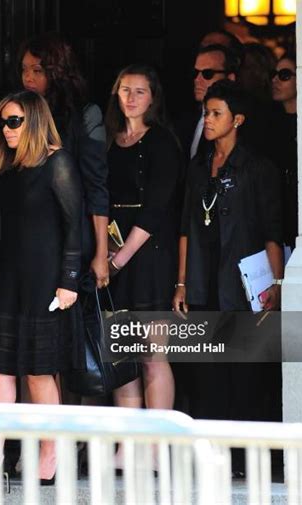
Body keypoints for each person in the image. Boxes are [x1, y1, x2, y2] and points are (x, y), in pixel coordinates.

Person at [0, 90, 83, 487]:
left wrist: (69, 280)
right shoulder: (9, 170)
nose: (6, 129)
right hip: (9, 279)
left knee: (39, 372)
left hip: (45, 281)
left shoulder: (58, 162)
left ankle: (50, 455)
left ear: (34, 120)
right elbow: (5, 235)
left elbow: (75, 225)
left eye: (14, 121)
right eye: (3, 122)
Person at [172, 80, 284, 470]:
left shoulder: (257, 168)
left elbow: (273, 231)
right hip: (203, 281)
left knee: (246, 374)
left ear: (237, 119)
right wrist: (182, 282)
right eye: (206, 113)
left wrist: (276, 285)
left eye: (216, 113)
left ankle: (248, 458)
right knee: (207, 373)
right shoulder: (199, 167)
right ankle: (212, 454)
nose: (208, 120)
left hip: (244, 285)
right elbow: (185, 227)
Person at [105, 64, 183, 470]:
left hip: (148, 254)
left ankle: (156, 444)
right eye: (124, 90)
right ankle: (128, 441)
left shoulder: (163, 142)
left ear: (153, 97)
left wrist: (117, 258)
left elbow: (155, 209)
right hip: (114, 252)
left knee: (153, 352)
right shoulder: (109, 140)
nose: (131, 97)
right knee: (123, 352)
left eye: (139, 91)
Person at [18, 33, 109, 288]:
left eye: (37, 70)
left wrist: (101, 253)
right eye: (24, 70)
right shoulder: (18, 116)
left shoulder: (84, 116)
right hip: (29, 233)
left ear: (56, 72)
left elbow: (96, 187)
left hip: (70, 234)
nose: (28, 77)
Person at [175, 44, 238, 162]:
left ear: (230, 78)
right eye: (195, 73)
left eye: (207, 73)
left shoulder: (241, 124)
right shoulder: (185, 118)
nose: (197, 80)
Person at [271, 51, 297, 249]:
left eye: (285, 75)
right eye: (274, 73)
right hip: (276, 213)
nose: (275, 80)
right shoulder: (268, 124)